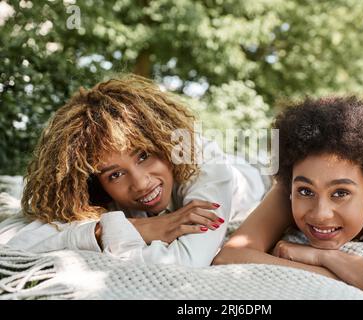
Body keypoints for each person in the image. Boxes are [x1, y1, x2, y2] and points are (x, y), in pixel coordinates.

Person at [0, 74, 265, 267]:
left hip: (254, 175)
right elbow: (11, 242)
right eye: (114, 174)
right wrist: (121, 230)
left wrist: (116, 238)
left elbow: (186, 261)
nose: (140, 184)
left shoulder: (203, 162)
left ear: (164, 143)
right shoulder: (98, 196)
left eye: (144, 156)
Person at [213, 96, 363, 299]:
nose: (320, 213)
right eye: (306, 192)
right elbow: (230, 256)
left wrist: (323, 257)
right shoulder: (287, 190)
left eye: (341, 193)